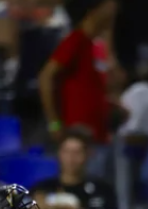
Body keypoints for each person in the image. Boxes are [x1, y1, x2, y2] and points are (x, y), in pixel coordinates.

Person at [38, 0, 117, 144]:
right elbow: (45, 77)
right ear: (94, 11)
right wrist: (54, 123)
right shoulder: (75, 40)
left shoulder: (96, 45)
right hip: (77, 137)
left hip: (99, 135)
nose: (114, 10)